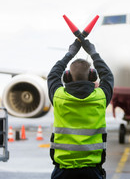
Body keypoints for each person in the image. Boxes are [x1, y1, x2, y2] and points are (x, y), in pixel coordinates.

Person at [47, 38, 114, 179]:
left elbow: (53, 75)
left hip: (63, 170)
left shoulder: (58, 97)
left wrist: (70, 53)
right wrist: (93, 52)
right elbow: (108, 76)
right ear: (92, 76)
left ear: (67, 77)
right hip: (92, 171)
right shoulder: (100, 97)